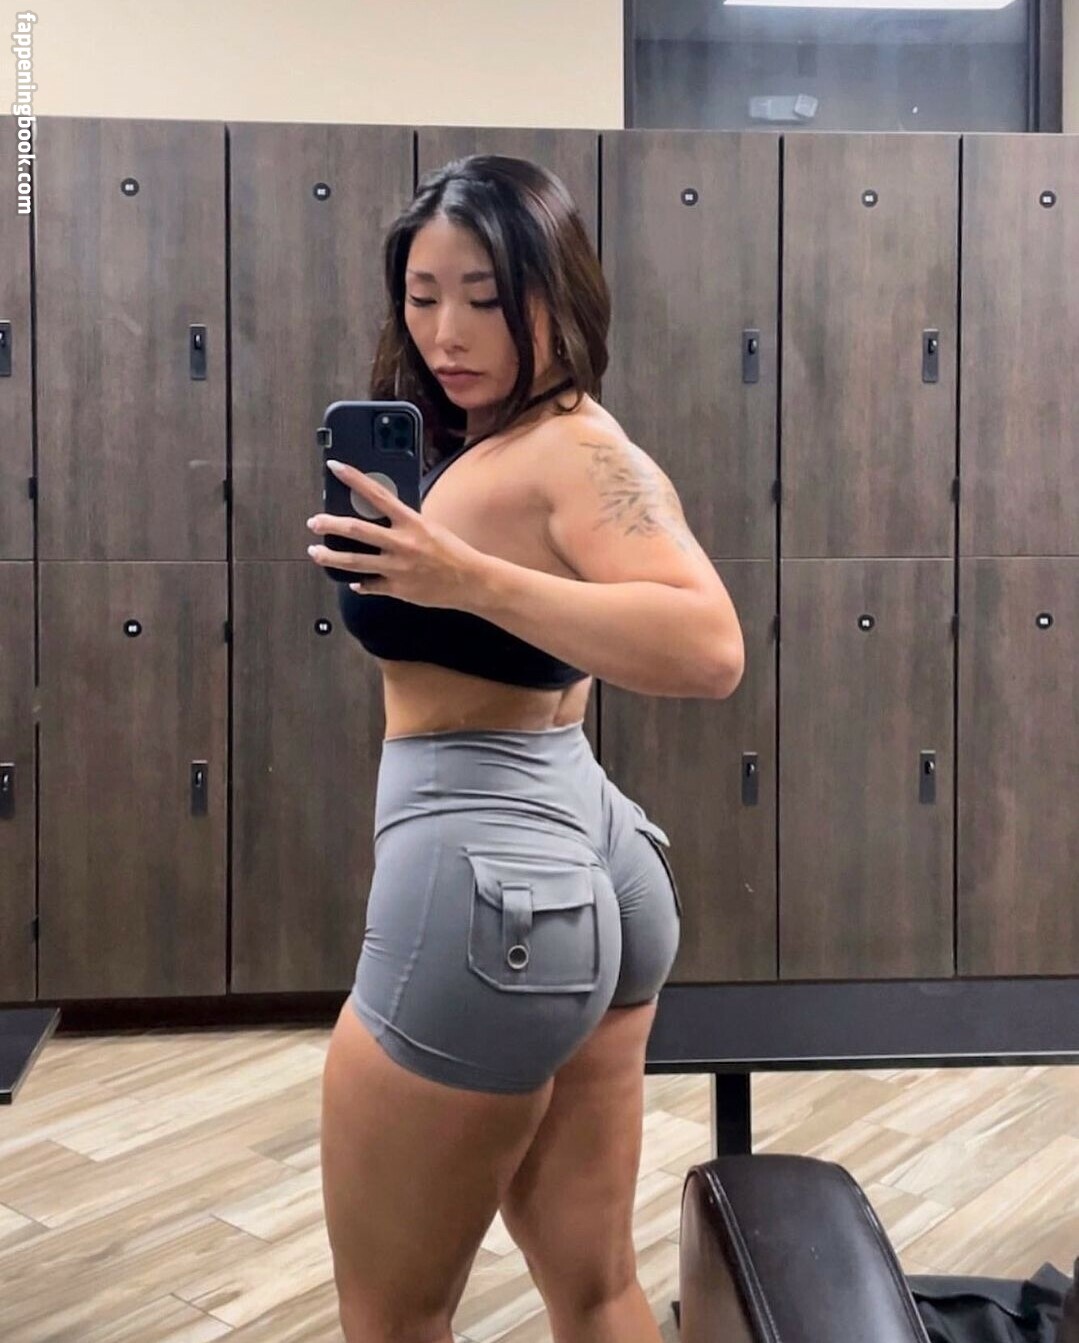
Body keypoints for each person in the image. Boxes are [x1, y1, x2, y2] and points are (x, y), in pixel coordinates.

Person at [306, 154, 745, 1343]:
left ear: (557, 291)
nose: (446, 331)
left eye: (486, 298)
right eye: (422, 295)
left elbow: (708, 645)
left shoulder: (570, 452)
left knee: (391, 1316)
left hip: (485, 882)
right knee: (595, 1289)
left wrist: (462, 576)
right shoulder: (528, 437)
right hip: (577, 855)